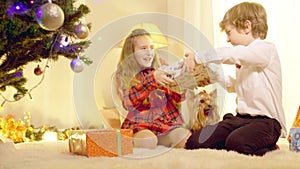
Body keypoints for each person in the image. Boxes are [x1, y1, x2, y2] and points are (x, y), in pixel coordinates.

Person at [183, 2, 286, 156]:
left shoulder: (266, 49)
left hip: (267, 123)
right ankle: (238, 141)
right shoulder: (246, 59)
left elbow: (234, 53)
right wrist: (214, 77)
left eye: (229, 32)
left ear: (246, 27)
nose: (228, 39)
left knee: (236, 143)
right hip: (241, 119)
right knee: (195, 142)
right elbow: (237, 86)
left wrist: (199, 57)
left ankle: (269, 147)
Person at [114, 28, 191, 149]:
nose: (149, 52)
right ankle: (130, 142)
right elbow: (128, 103)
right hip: (141, 125)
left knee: (185, 138)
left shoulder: (160, 70)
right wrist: (152, 80)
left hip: (165, 124)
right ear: (131, 52)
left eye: (151, 47)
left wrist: (183, 81)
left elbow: (178, 98)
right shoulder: (123, 75)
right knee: (147, 141)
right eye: (143, 48)